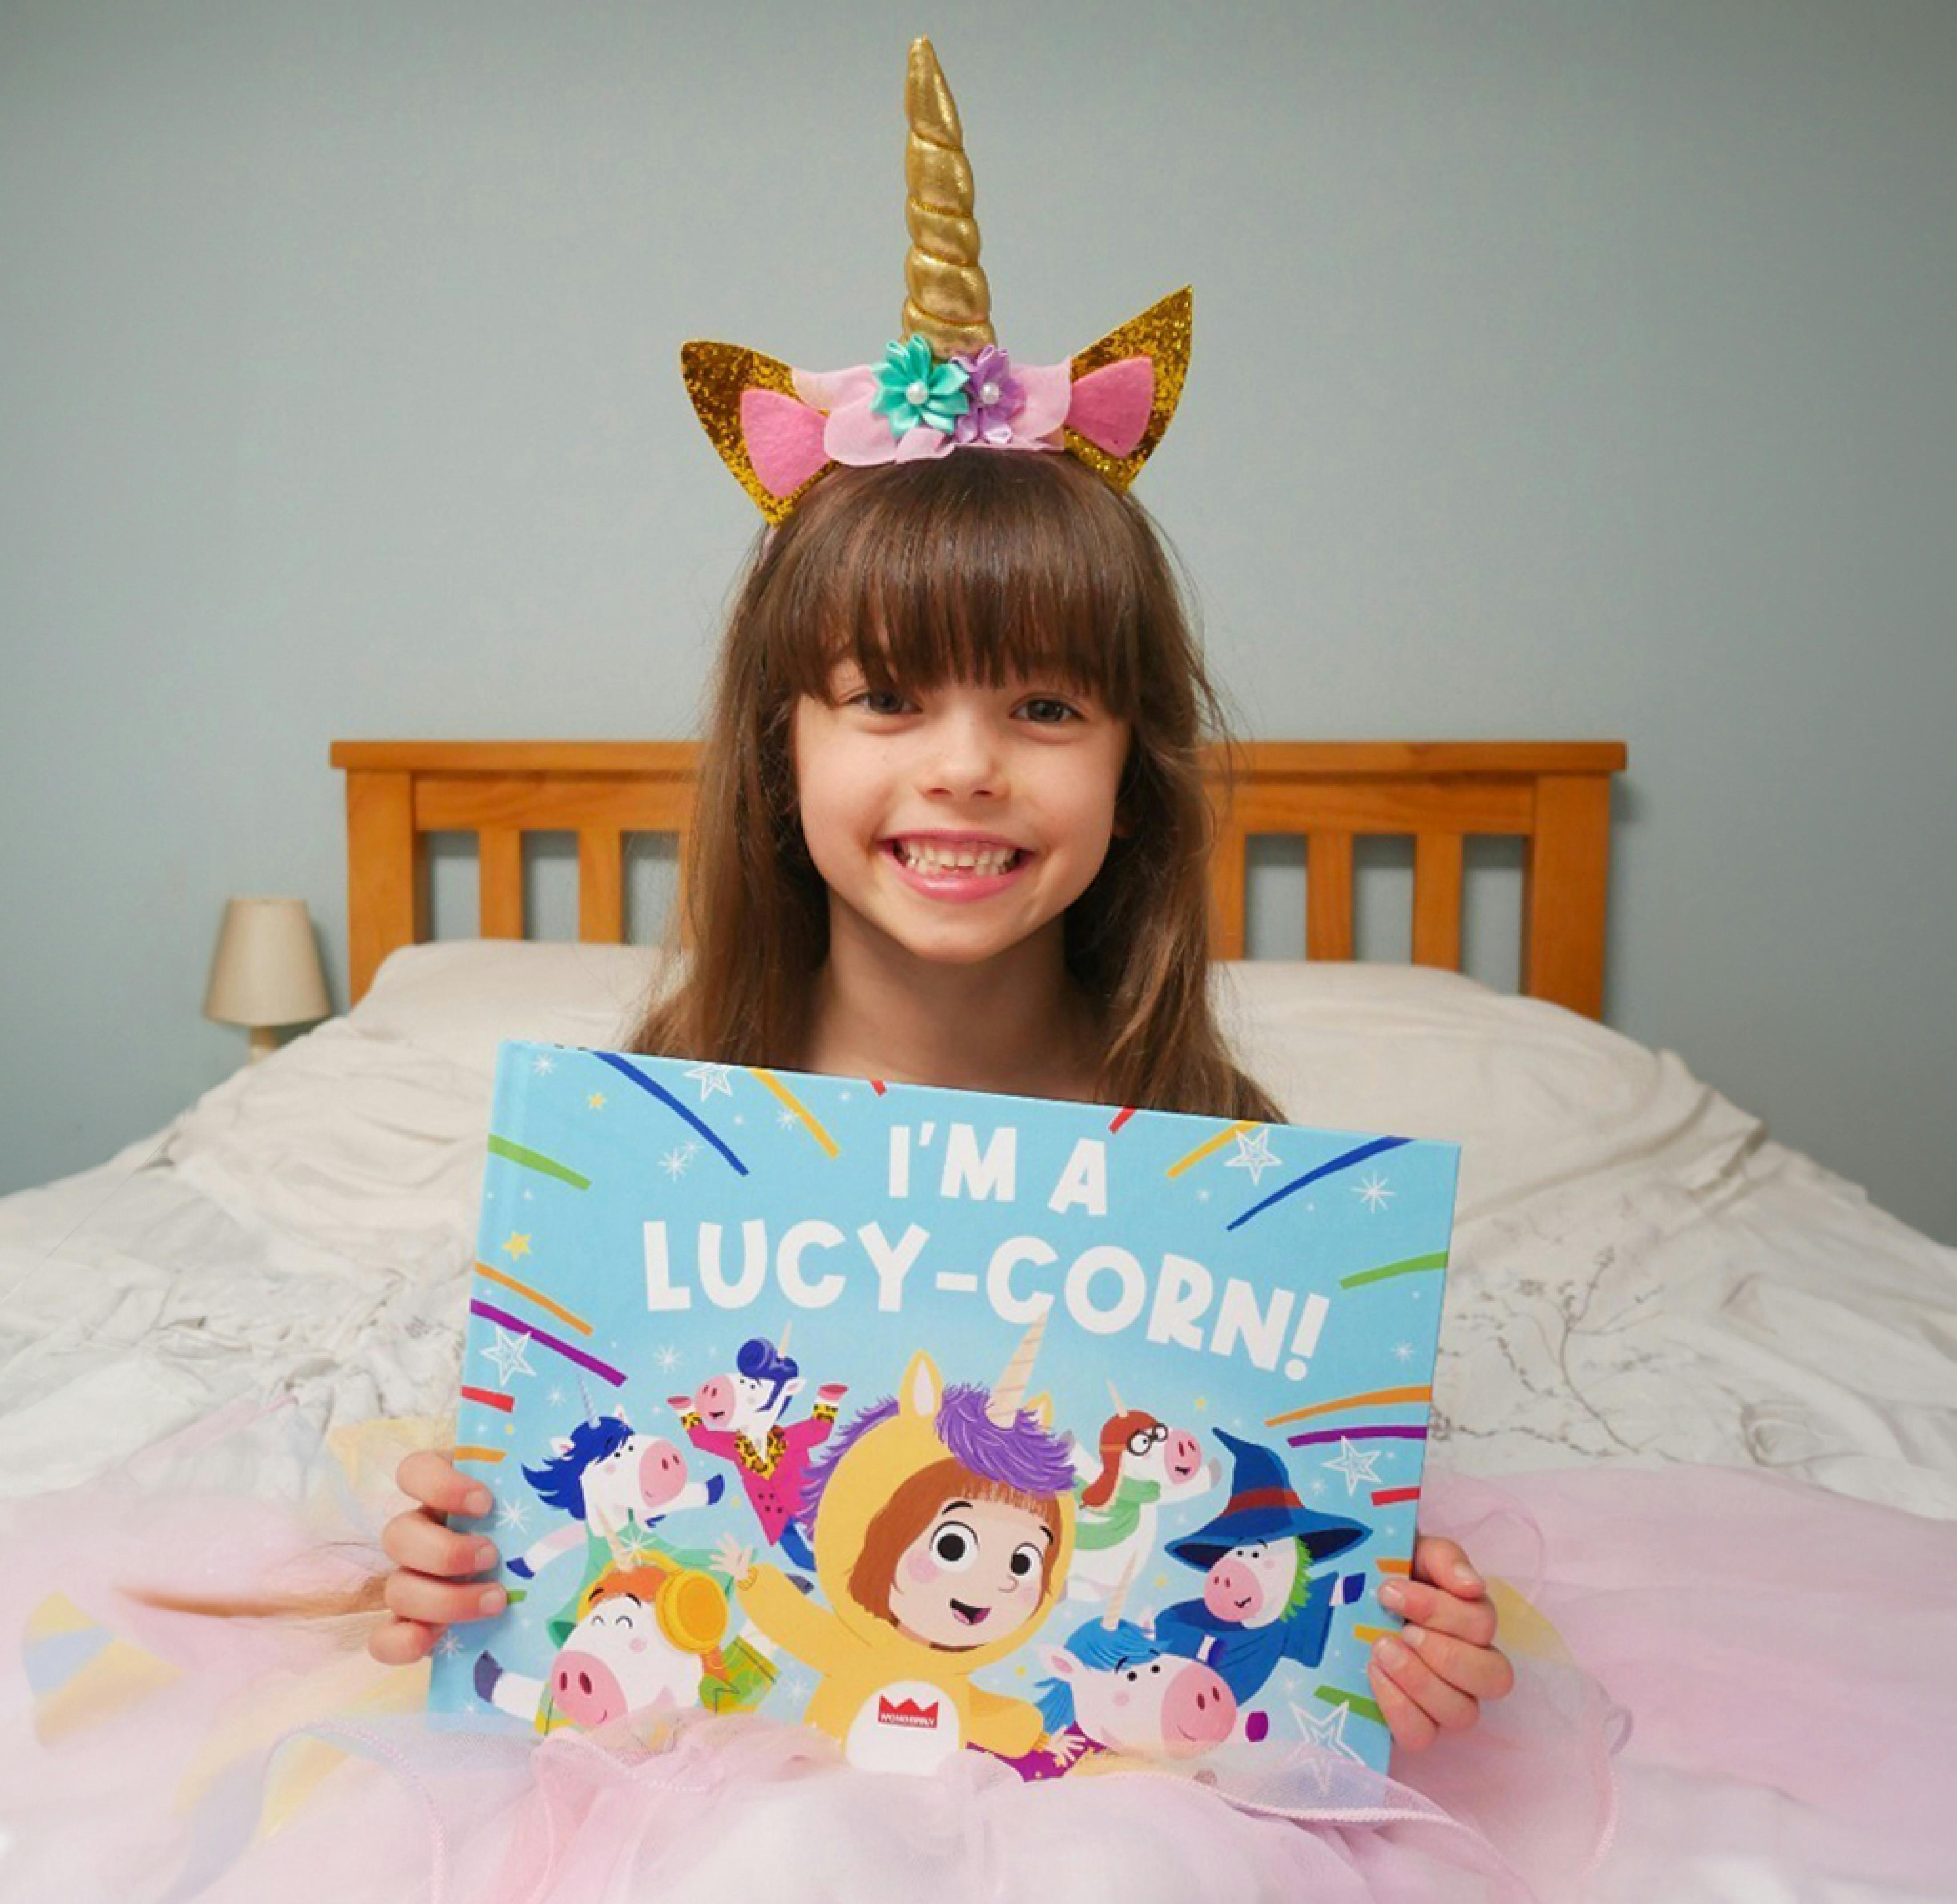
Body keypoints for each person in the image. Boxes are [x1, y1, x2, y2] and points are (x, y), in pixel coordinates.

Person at [368, 438, 1516, 1759]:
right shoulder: (647, 1142)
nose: (966, 767)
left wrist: (1396, 1641)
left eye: (1046, 708)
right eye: (889, 697)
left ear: (1134, 772)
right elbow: (574, 1550)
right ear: (778, 749)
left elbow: (1262, 1576)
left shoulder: (1226, 1168)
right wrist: (456, 1580)